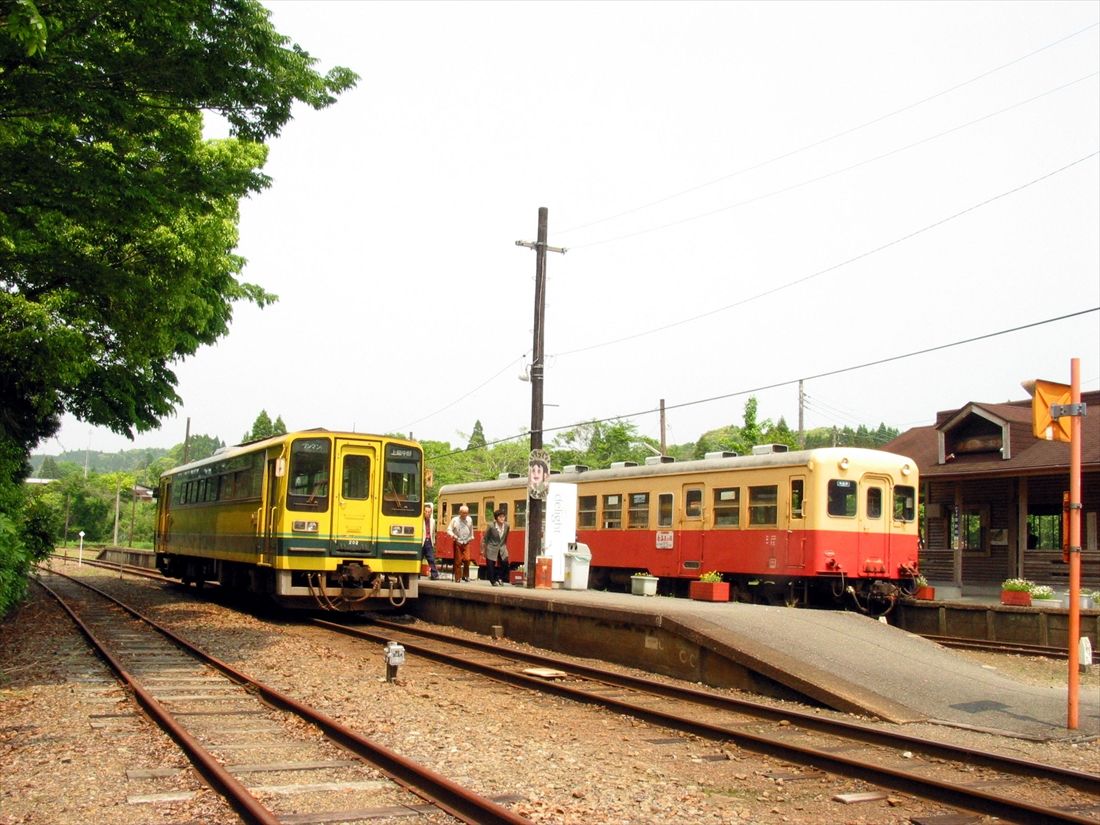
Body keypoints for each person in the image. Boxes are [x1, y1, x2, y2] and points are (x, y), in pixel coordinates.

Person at [481, 509, 510, 586]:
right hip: (491, 547)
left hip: (502, 546)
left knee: (505, 562)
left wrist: (504, 546)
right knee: (491, 565)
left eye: (503, 517)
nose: (502, 518)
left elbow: (506, 536)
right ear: (496, 518)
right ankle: (493, 581)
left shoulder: (507, 525)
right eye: (500, 517)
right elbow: (485, 538)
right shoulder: (491, 526)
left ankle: (500, 577)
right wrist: (483, 550)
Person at [447, 504, 474, 582]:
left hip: (467, 541)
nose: (465, 514)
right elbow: (449, 529)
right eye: (463, 513)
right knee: (458, 561)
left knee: (467, 559)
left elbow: (471, 529)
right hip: (458, 541)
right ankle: (457, 577)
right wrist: (453, 535)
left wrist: (472, 536)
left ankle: (465, 576)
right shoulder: (455, 520)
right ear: (460, 512)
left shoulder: (469, 519)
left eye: (466, 513)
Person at [422, 503, 439, 580]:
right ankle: (416, 574)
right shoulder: (420, 520)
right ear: (423, 512)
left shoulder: (433, 521)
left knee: (431, 558)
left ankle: (434, 575)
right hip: (421, 541)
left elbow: (433, 533)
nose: (427, 513)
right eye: (426, 511)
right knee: (419, 558)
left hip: (429, 541)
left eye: (429, 512)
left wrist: (433, 542)